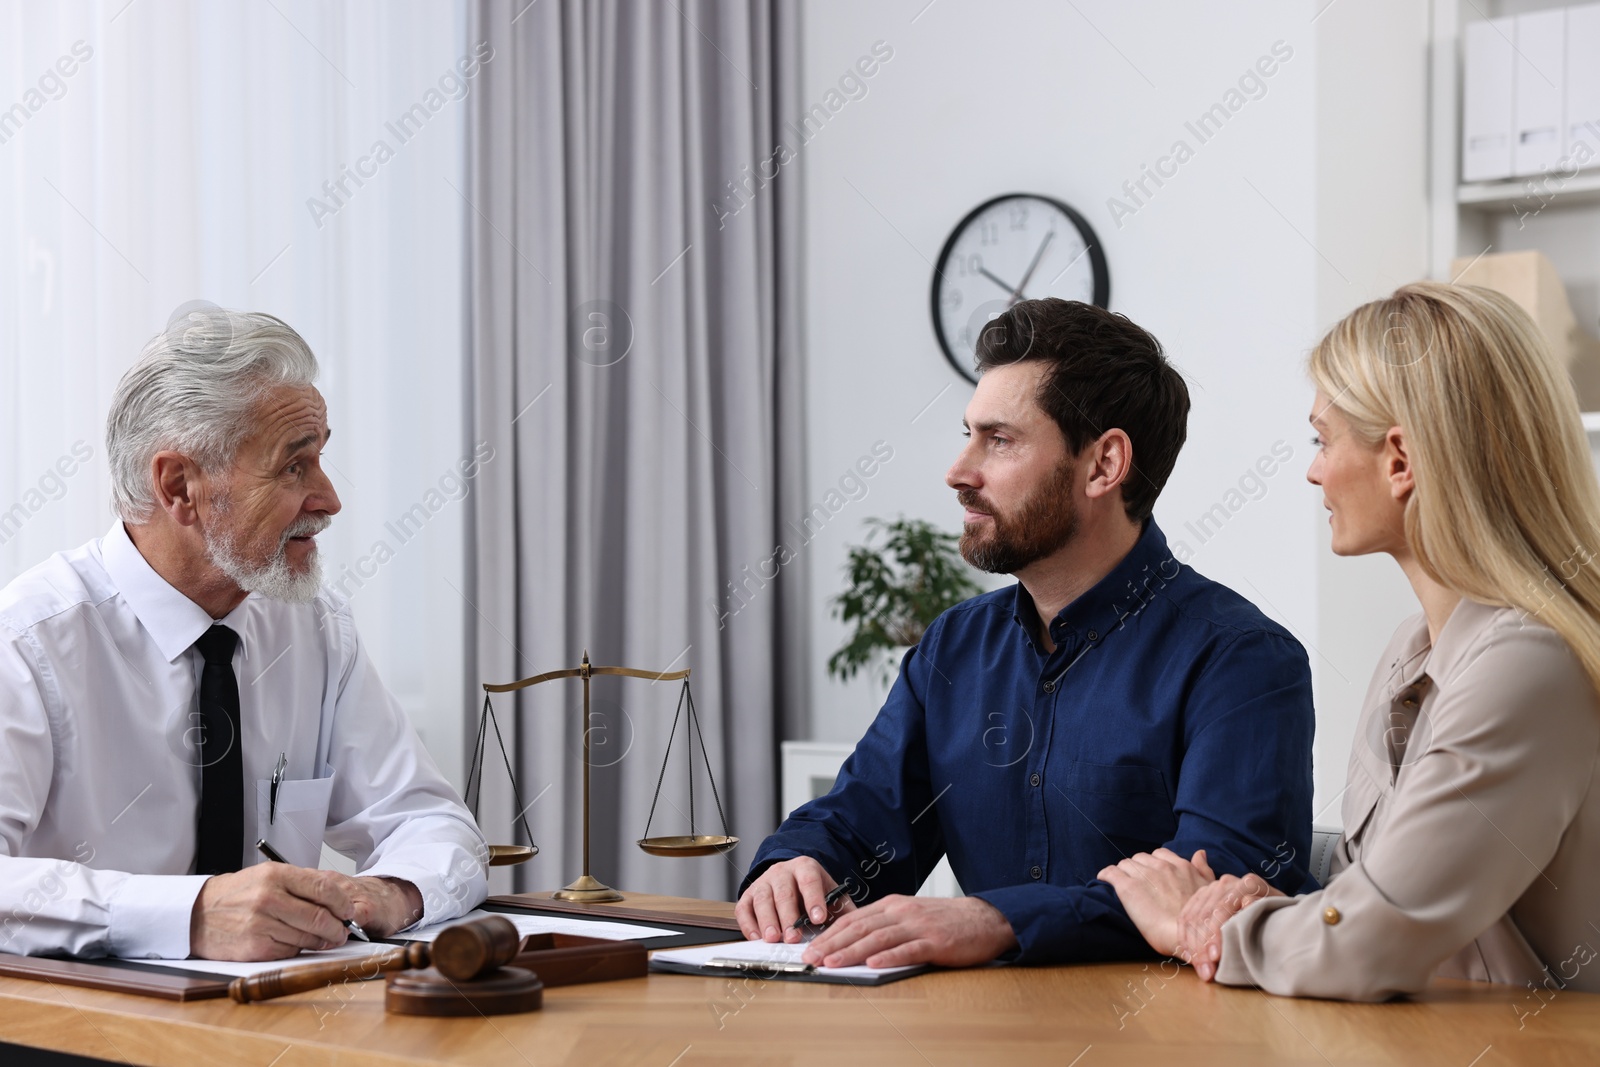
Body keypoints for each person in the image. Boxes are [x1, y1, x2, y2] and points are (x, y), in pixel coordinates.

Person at [735, 298, 1317, 968]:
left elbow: (1217, 900)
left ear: (1103, 465)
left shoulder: (1241, 660)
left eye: (1000, 440)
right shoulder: (953, 649)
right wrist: (797, 865)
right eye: (968, 434)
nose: (959, 471)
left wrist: (996, 918)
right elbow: (861, 819)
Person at [1099, 281, 1600, 1000]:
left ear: (1400, 461)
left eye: (1321, 438)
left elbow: (1369, 940)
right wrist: (1264, 905)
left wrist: (1199, 927)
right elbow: (1372, 896)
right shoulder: (1414, 649)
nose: (1313, 469)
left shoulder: (1528, 662)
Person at [0, 308, 488, 962]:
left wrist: (392, 890)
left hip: (276, 1023)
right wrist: (191, 914)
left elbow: (430, 821)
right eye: (294, 466)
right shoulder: (29, 642)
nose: (329, 497)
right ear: (180, 486)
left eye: (319, 457)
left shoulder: (317, 629)